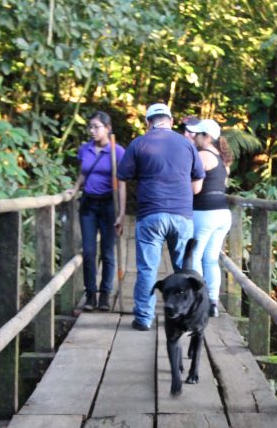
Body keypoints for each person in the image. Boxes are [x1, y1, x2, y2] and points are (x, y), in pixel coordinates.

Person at [117, 103, 206, 330]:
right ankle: (190, 315)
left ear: (148, 122)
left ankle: (144, 318)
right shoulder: (187, 144)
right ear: (171, 121)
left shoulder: (139, 143)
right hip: (181, 215)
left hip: (150, 215)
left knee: (147, 268)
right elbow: (197, 185)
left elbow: (123, 175)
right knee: (185, 269)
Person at [65, 111, 126, 311]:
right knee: (89, 251)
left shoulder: (118, 151)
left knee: (107, 253)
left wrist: (121, 213)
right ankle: (90, 294)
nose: (92, 131)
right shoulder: (85, 149)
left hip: (109, 205)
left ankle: (105, 295)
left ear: (108, 129)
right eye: (90, 127)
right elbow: (83, 173)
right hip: (89, 204)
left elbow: (122, 184)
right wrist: (75, 188)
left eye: (96, 127)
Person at [186, 118, 233, 317]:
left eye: (197, 134)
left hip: (204, 213)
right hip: (223, 214)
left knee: (195, 256)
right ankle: (212, 302)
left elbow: (192, 185)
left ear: (206, 137)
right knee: (211, 259)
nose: (194, 137)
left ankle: (198, 301)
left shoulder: (202, 156)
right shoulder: (223, 159)